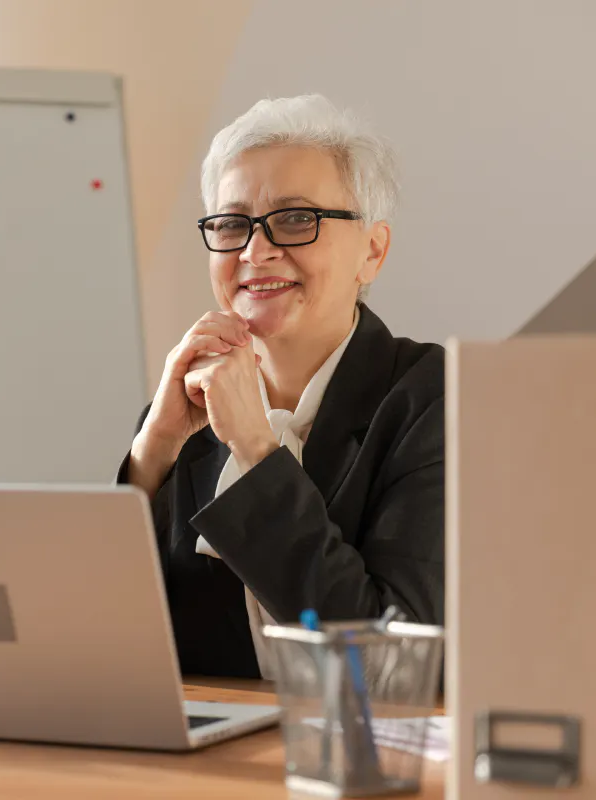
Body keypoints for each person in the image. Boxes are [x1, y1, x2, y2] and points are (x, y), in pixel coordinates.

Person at [117, 95, 444, 679]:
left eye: (296, 219)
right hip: (211, 736)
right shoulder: (182, 414)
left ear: (372, 251)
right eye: (231, 223)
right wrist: (152, 454)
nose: (255, 251)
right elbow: (104, 643)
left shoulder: (437, 400)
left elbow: (388, 665)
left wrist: (255, 449)